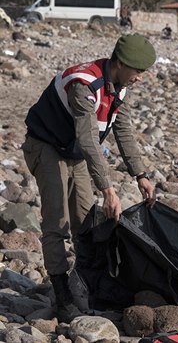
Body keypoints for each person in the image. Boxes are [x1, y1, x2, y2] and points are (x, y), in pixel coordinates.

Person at [22, 34, 158, 322]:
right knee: (57, 221)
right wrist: (108, 189)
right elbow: (88, 140)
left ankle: (87, 280)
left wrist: (141, 174)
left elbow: (123, 131)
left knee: (85, 219)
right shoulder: (83, 85)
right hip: (46, 147)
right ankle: (62, 295)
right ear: (119, 63)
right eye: (138, 71)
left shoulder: (119, 86)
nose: (141, 78)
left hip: (74, 152)